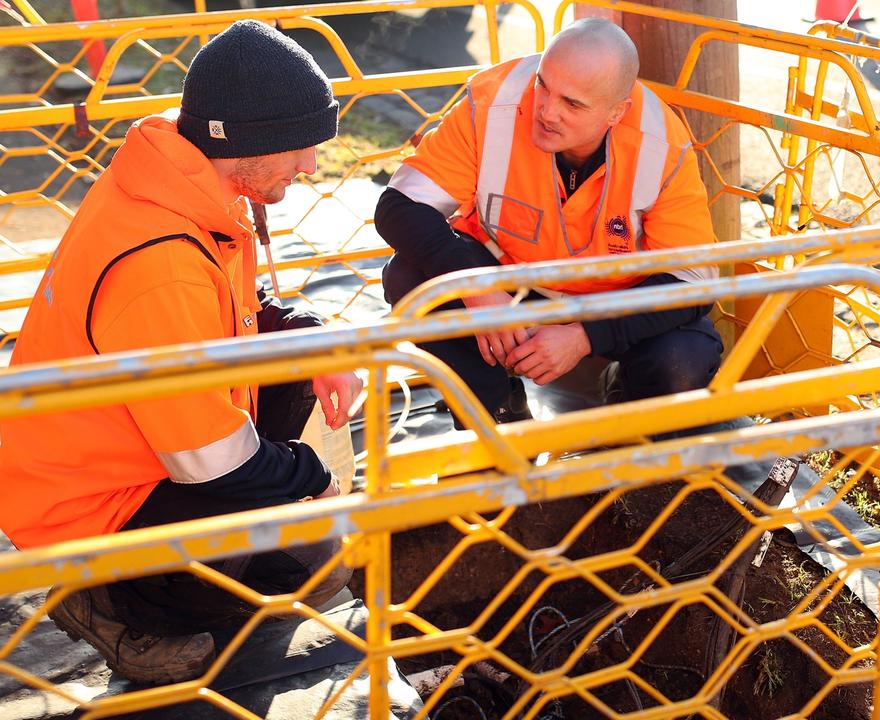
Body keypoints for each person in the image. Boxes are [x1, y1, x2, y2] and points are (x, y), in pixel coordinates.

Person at [0, 20, 362, 685]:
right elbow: (209, 464)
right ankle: (99, 598)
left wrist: (314, 334)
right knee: (238, 542)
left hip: (145, 445)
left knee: (295, 411)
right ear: (249, 137)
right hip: (88, 506)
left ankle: (246, 553)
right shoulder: (158, 262)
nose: (311, 164)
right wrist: (311, 479)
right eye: (301, 145)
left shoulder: (193, 182)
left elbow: (231, 310)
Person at [377, 17, 723, 423]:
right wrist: (476, 288)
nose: (546, 111)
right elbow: (398, 206)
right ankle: (497, 413)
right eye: (543, 83)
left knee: (683, 361)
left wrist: (586, 335)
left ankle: (627, 421)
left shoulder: (662, 144)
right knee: (408, 278)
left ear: (617, 112)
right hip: (510, 285)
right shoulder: (492, 100)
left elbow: (692, 283)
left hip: (613, 303)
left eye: (572, 104)